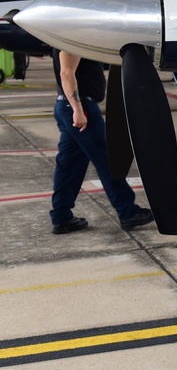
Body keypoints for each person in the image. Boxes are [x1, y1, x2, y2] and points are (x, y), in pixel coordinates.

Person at [50, 50, 154, 234]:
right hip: (79, 107)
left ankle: (61, 216)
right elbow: (66, 73)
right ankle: (128, 212)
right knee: (107, 160)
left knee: (68, 165)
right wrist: (77, 109)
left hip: (68, 106)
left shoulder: (71, 33)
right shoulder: (73, 34)